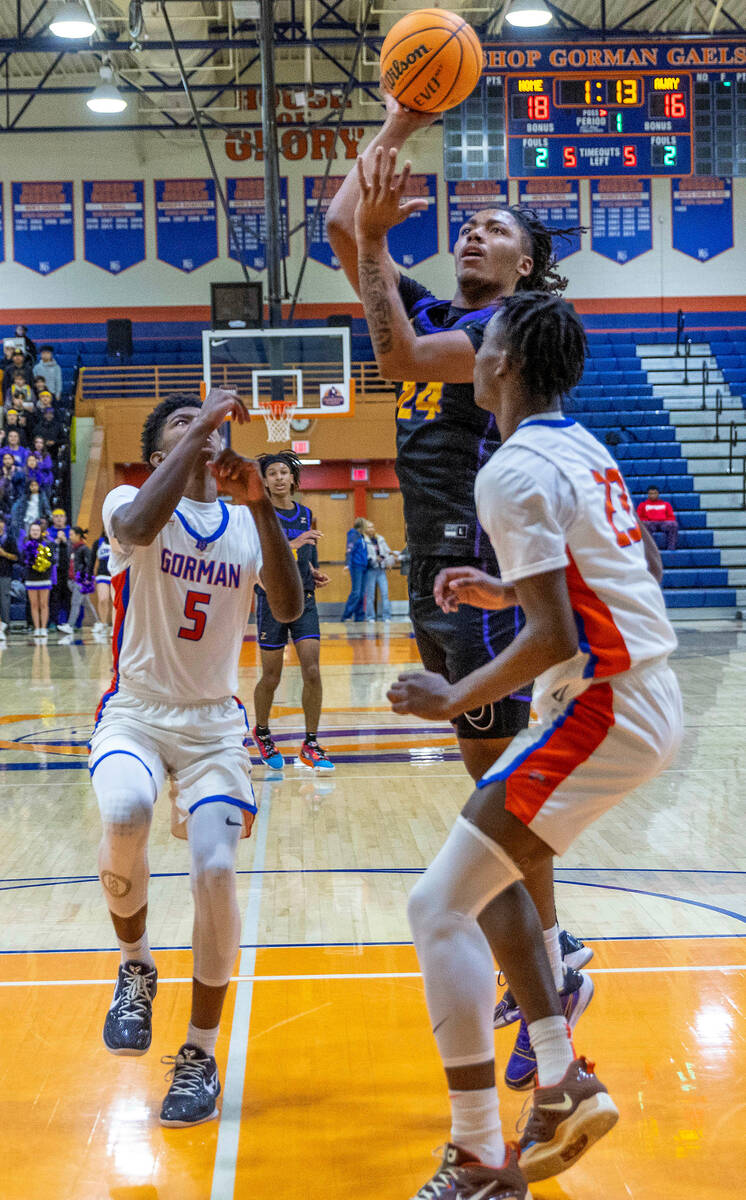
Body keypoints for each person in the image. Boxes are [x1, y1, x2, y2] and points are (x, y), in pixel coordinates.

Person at [387, 293, 682, 1197]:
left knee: (435, 908)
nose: (471, 354)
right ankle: (559, 1079)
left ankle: (480, 1157)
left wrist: (454, 697)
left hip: (601, 702)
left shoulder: (510, 469)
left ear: (503, 363)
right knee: (488, 884)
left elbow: (559, 634)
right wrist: (506, 591)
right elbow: (634, 574)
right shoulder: (581, 446)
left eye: (484, 344)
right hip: (632, 696)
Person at [327, 103, 592, 1068]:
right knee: (493, 795)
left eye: (499, 228)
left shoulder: (504, 327)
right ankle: (550, 966)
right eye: (469, 223)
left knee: (498, 806)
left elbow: (393, 355)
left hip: (480, 566)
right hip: (438, 568)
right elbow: (338, 223)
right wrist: (399, 117)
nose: (475, 230)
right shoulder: (443, 308)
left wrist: (372, 241)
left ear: (526, 265)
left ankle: (553, 969)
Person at [90, 388, 303, 1127]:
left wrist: (262, 506)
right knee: (125, 808)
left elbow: (287, 607)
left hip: (214, 726)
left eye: (204, 422)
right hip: (137, 713)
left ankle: (200, 1053)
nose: (203, 431)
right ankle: (136, 965)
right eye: (180, 426)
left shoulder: (244, 522)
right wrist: (204, 424)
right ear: (157, 456)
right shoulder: (130, 503)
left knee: (214, 869)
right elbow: (145, 520)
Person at [250, 451, 334, 773]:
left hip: (304, 601)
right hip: (271, 601)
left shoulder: (306, 513)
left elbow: (304, 556)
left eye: (284, 471)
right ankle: (262, 731)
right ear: (265, 481)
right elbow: (262, 553)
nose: (280, 477)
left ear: (292, 478)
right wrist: (296, 541)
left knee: (312, 670)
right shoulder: (259, 513)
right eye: (273, 473)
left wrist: (312, 572)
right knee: (272, 676)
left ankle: (310, 744)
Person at [56, 526, 97, 635]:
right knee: (86, 603)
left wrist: (88, 578)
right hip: (71, 580)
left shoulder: (84, 549)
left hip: (81, 580)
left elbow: (89, 565)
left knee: (75, 603)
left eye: (71, 535)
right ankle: (97, 623)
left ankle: (70, 625)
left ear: (78, 536)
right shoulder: (71, 547)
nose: (70, 537)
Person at [22, 518, 54, 637]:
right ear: (29, 532)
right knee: (34, 604)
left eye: (37, 530)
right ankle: (37, 628)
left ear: (41, 532)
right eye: (33, 530)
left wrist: (44, 562)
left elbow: (53, 560)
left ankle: (43, 628)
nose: (35, 532)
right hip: (31, 578)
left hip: (44, 577)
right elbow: (22, 560)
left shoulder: (48, 544)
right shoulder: (26, 545)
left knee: (44, 604)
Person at [362, 518, 396, 621]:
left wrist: (389, 561)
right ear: (365, 529)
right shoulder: (363, 541)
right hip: (370, 570)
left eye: (372, 527)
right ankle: (370, 617)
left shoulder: (380, 539)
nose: (371, 529)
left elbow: (387, 551)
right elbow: (364, 556)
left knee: (385, 594)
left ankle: (387, 617)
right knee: (370, 596)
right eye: (369, 527)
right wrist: (374, 559)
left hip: (381, 570)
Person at [341, 516, 368, 622]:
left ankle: (359, 616)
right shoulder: (353, 535)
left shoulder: (361, 536)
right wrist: (347, 564)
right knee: (356, 592)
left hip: (363, 566)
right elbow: (349, 551)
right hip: (356, 566)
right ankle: (346, 615)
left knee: (361, 593)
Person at [636, 485, 678, 551]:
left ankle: (671, 548)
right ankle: (650, 550)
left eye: (655, 493)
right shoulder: (642, 505)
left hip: (663, 523)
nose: (653, 495)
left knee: (673, 524)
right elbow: (639, 517)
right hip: (650, 523)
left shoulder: (666, 504)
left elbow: (671, 517)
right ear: (648, 495)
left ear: (658, 494)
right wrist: (650, 520)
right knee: (644, 524)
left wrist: (661, 520)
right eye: (651, 493)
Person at [0, 514, 19, 638]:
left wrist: (4, 554)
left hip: (5, 573)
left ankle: (6, 625)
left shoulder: (10, 539)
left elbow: (16, 557)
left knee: (5, 600)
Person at [92, 528, 112, 631]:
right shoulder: (98, 542)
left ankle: (114, 625)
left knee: (115, 602)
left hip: (115, 575)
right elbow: (92, 560)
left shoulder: (119, 542)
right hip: (102, 574)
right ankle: (103, 623)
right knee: (103, 599)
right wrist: (89, 575)